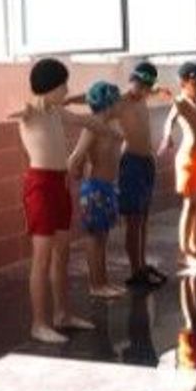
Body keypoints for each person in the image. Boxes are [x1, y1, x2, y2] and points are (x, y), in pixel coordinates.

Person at [11, 58, 112, 342]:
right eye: (63, 85)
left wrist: (111, 131)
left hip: (60, 183)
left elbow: (84, 120)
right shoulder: (31, 113)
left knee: (63, 253)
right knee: (42, 257)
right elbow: (17, 112)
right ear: (50, 86)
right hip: (40, 185)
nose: (67, 90)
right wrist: (26, 108)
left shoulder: (57, 112)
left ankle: (62, 314)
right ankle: (39, 323)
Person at [68, 81, 128, 299]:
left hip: (108, 187)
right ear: (109, 104)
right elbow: (75, 158)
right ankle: (96, 285)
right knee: (94, 238)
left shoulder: (111, 123)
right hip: (95, 188)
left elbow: (91, 95)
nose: (121, 104)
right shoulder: (92, 127)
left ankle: (104, 282)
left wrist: (70, 99)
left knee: (102, 237)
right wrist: (76, 174)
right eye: (117, 101)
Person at [117, 62, 172, 288]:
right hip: (130, 163)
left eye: (146, 88)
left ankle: (141, 264)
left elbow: (153, 90)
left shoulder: (144, 96)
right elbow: (92, 98)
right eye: (139, 86)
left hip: (146, 162)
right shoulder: (120, 100)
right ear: (131, 80)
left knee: (144, 218)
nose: (142, 91)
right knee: (134, 220)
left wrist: (160, 90)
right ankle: (135, 269)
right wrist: (68, 100)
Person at [159, 62, 196, 263]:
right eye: (195, 84)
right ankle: (184, 252)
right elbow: (169, 121)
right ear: (183, 83)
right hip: (188, 158)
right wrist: (167, 137)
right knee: (189, 204)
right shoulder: (180, 103)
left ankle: (194, 246)